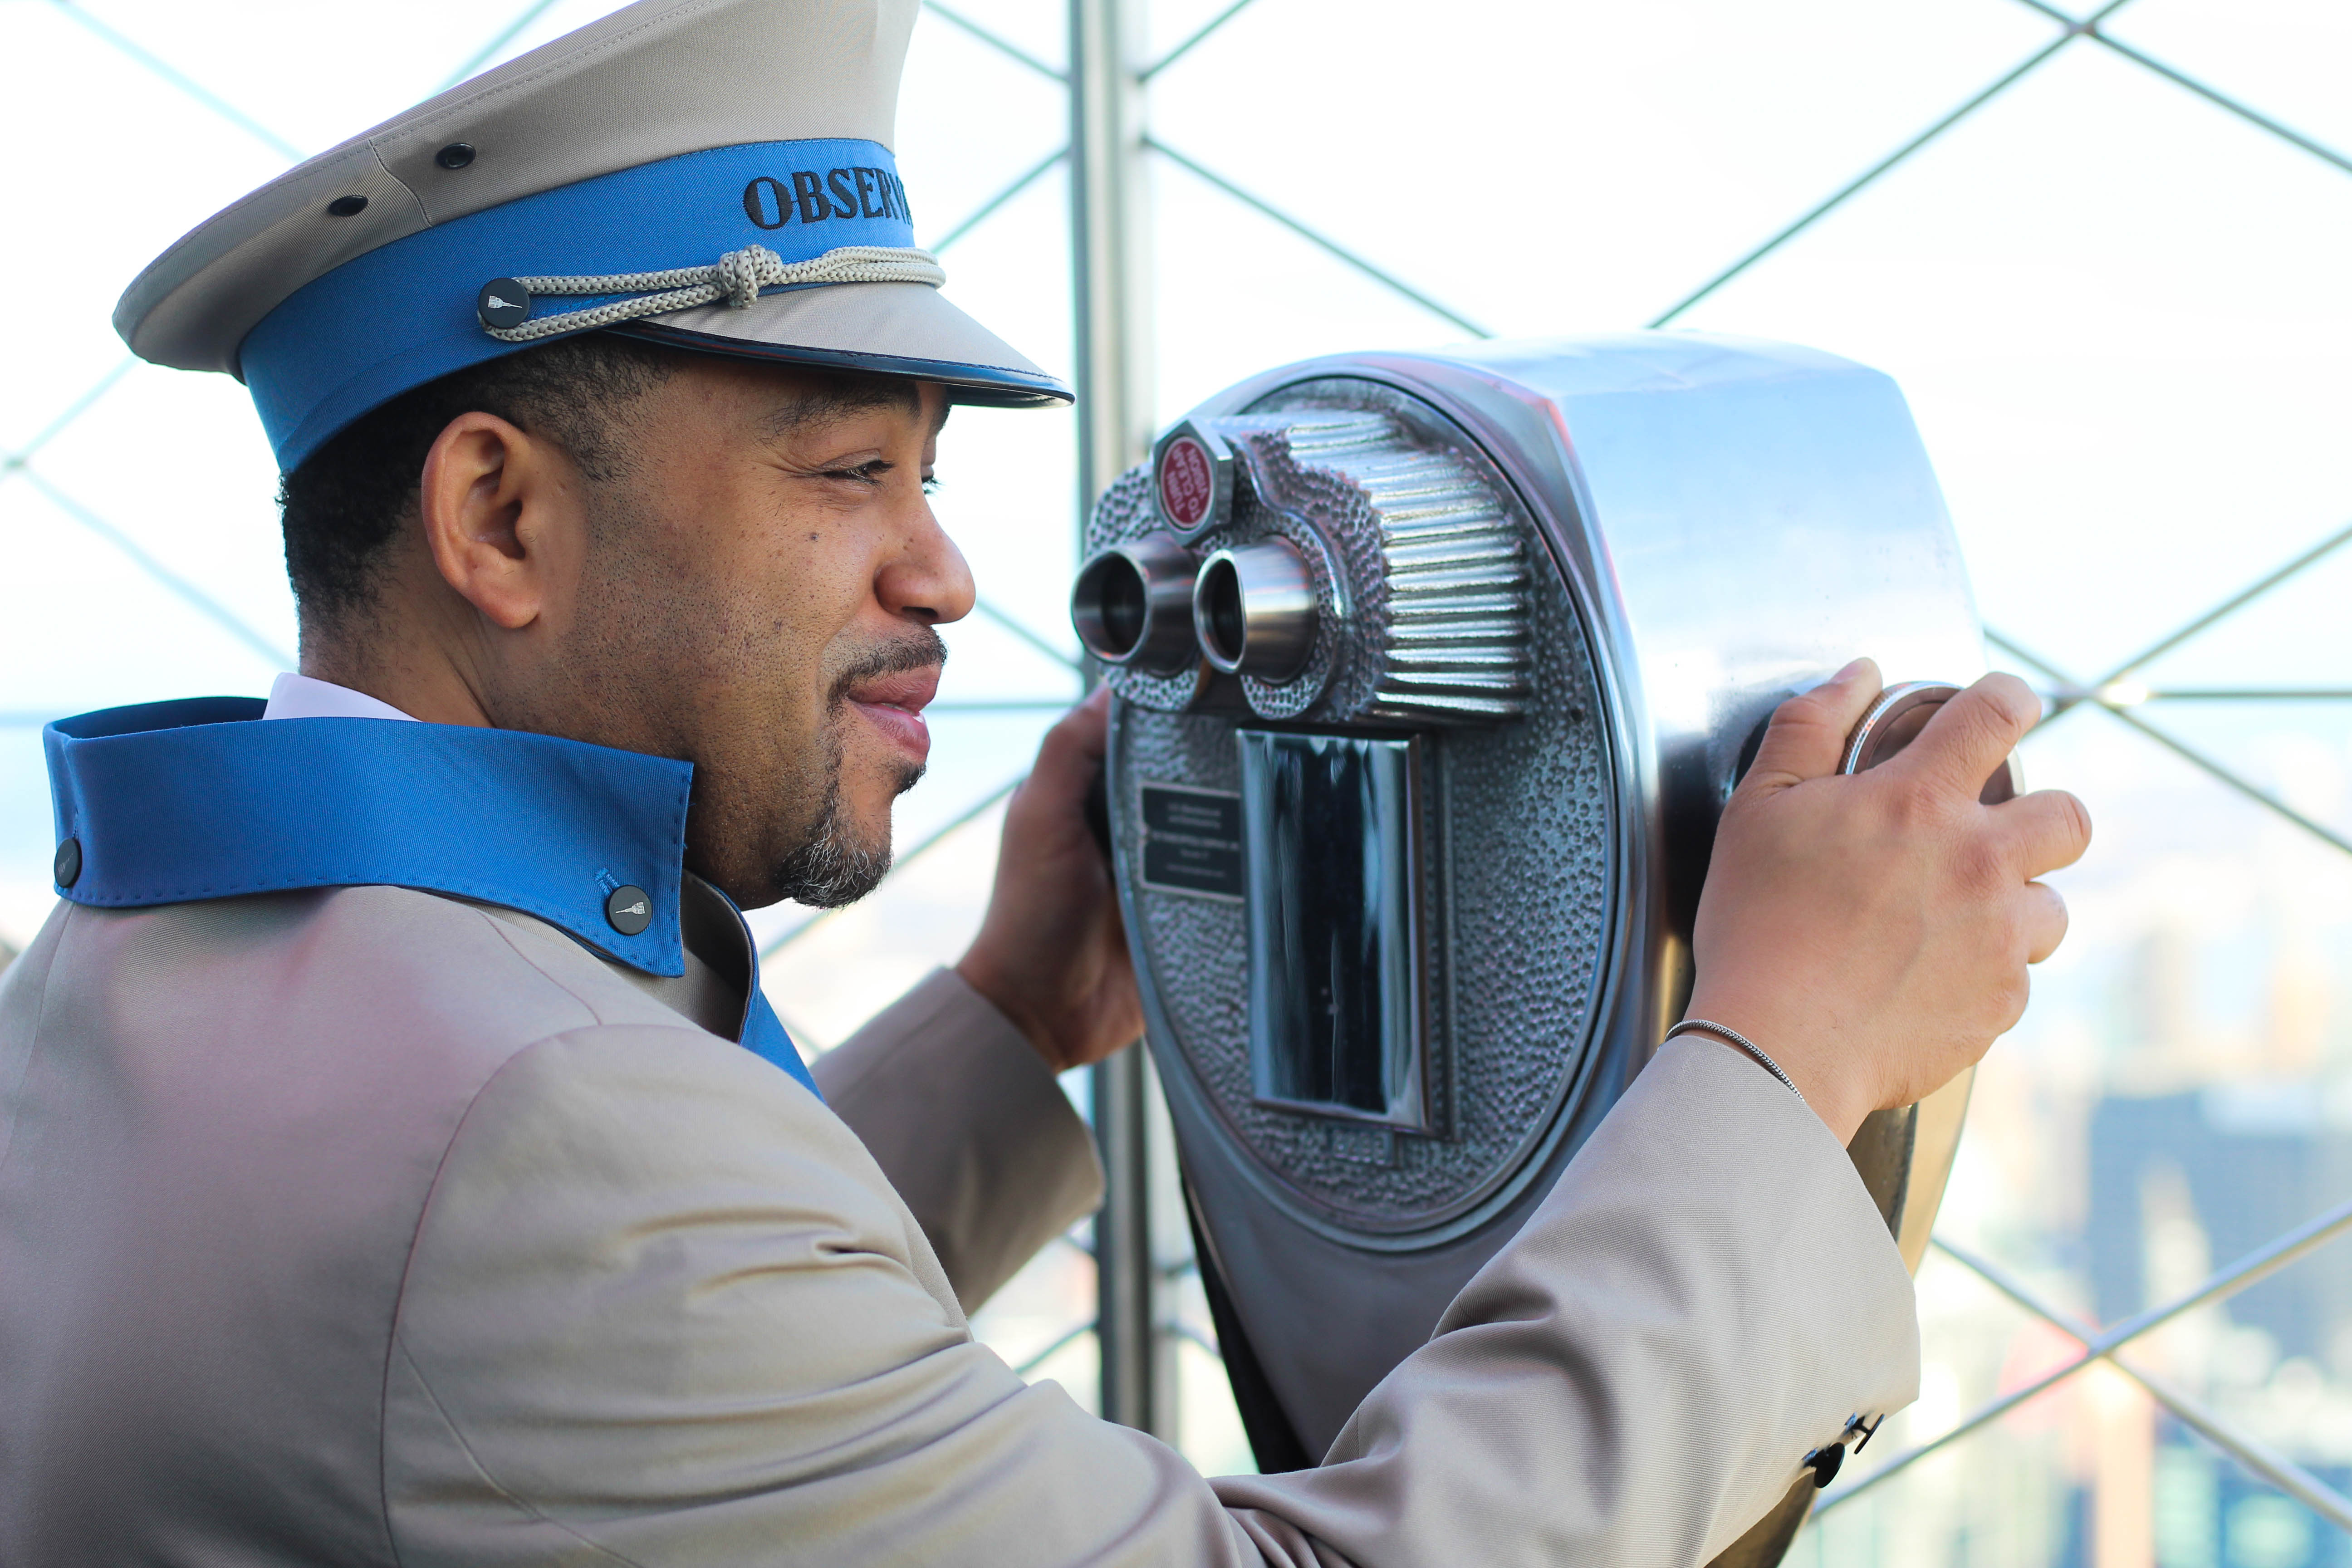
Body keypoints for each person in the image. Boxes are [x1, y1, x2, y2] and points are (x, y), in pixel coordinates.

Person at [0, 1, 2092, 1563]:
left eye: (936, 473)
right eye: (847, 475)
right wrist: (1781, 1057)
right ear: (502, 522)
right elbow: (589, 1264)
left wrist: (1020, 1014)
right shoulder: (546, 1147)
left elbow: (583, 1391)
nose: (948, 573)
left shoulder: (165, 964)